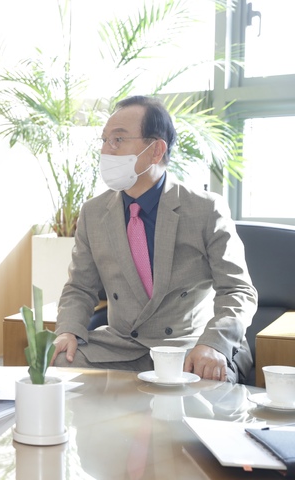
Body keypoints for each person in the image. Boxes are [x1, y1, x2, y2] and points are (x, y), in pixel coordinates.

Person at [52, 95, 257, 383]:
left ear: (156, 150)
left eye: (118, 139)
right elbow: (80, 287)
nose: (106, 150)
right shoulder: (93, 212)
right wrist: (68, 330)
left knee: (210, 379)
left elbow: (238, 291)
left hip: (190, 344)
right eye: (104, 140)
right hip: (123, 345)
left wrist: (213, 343)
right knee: (60, 360)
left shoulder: (205, 208)